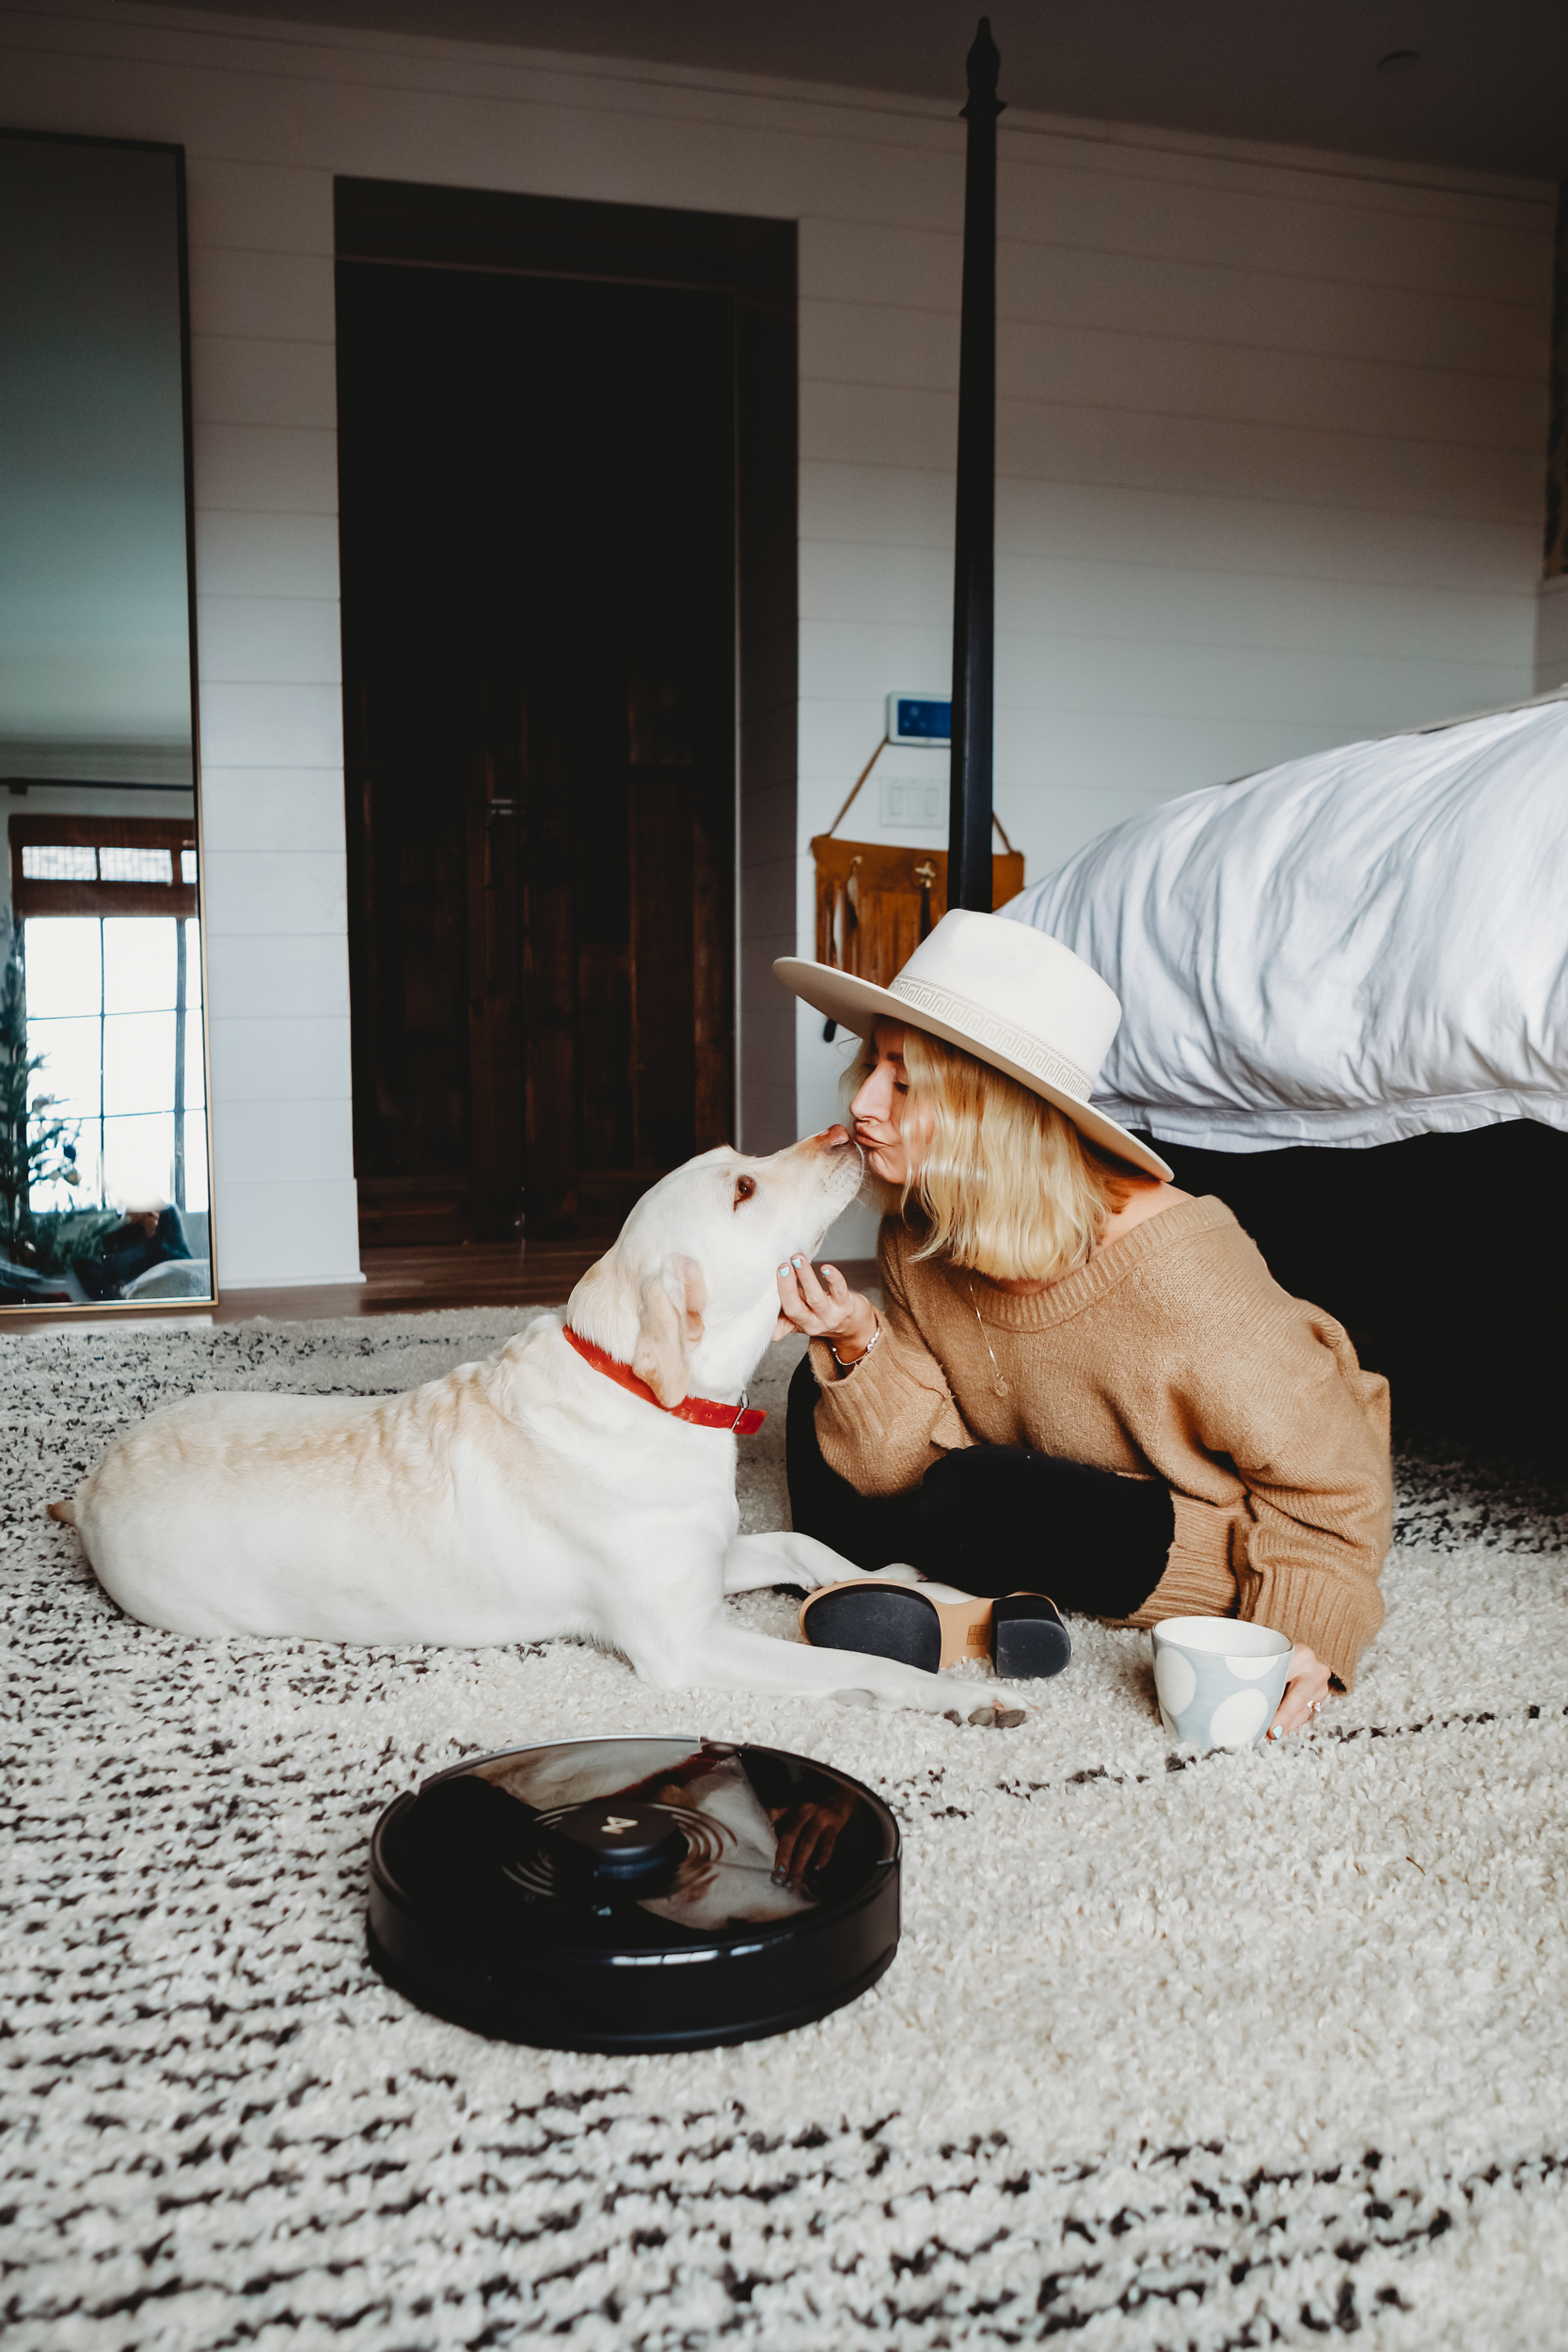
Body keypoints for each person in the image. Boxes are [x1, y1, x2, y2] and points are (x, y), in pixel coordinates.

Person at [770, 910, 1392, 1738]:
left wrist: (1303, 1632)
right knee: (813, 1400)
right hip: (1007, 1469)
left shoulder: (1186, 1276)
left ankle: (945, 1580)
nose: (864, 1103)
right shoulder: (917, 1230)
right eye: (872, 1067)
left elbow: (1335, 1481)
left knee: (974, 1497)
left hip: (1180, 1526)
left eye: (905, 1081)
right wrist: (856, 1339)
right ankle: (969, 1593)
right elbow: (912, 1442)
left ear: (990, 1111)